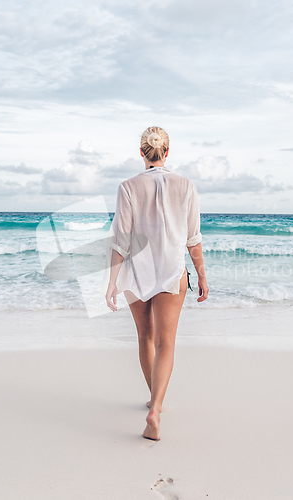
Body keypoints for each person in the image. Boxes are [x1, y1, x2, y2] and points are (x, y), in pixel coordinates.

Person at [104, 126, 209, 441]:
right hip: (171, 271)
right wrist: (202, 274)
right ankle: (156, 408)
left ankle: (152, 397)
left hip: (137, 272)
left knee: (145, 338)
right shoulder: (186, 185)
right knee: (166, 343)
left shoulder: (128, 187)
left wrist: (111, 282)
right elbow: (193, 239)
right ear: (167, 152)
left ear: (142, 152)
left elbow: (121, 240)